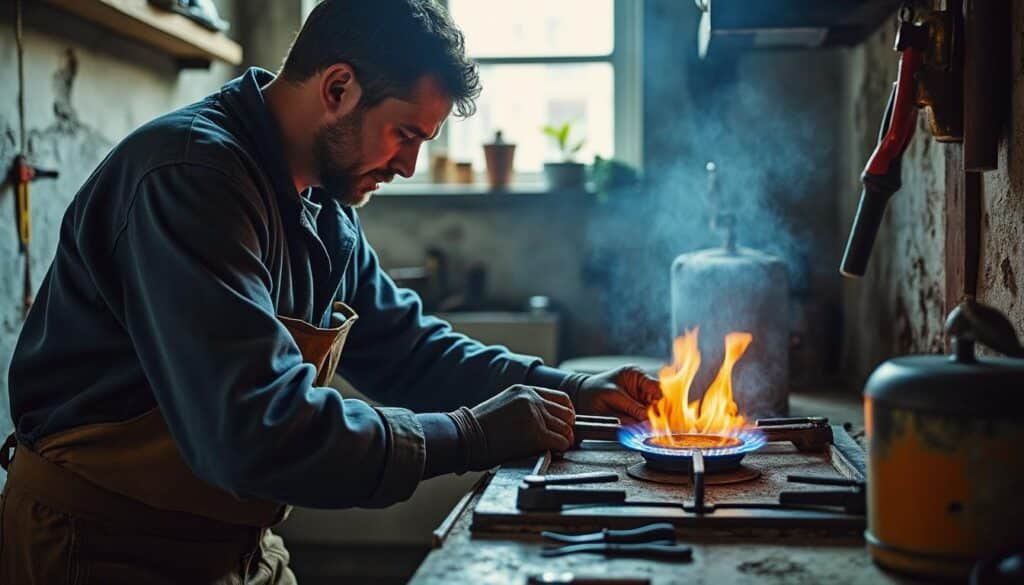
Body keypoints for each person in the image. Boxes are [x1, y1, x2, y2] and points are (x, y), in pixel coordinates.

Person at [0, 1, 660, 582]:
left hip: (235, 546)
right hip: (101, 547)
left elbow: (407, 350)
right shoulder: (191, 179)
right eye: (405, 134)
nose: (409, 165)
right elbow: (256, 430)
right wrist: (468, 434)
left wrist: (572, 389)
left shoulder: (324, 204)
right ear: (339, 87)